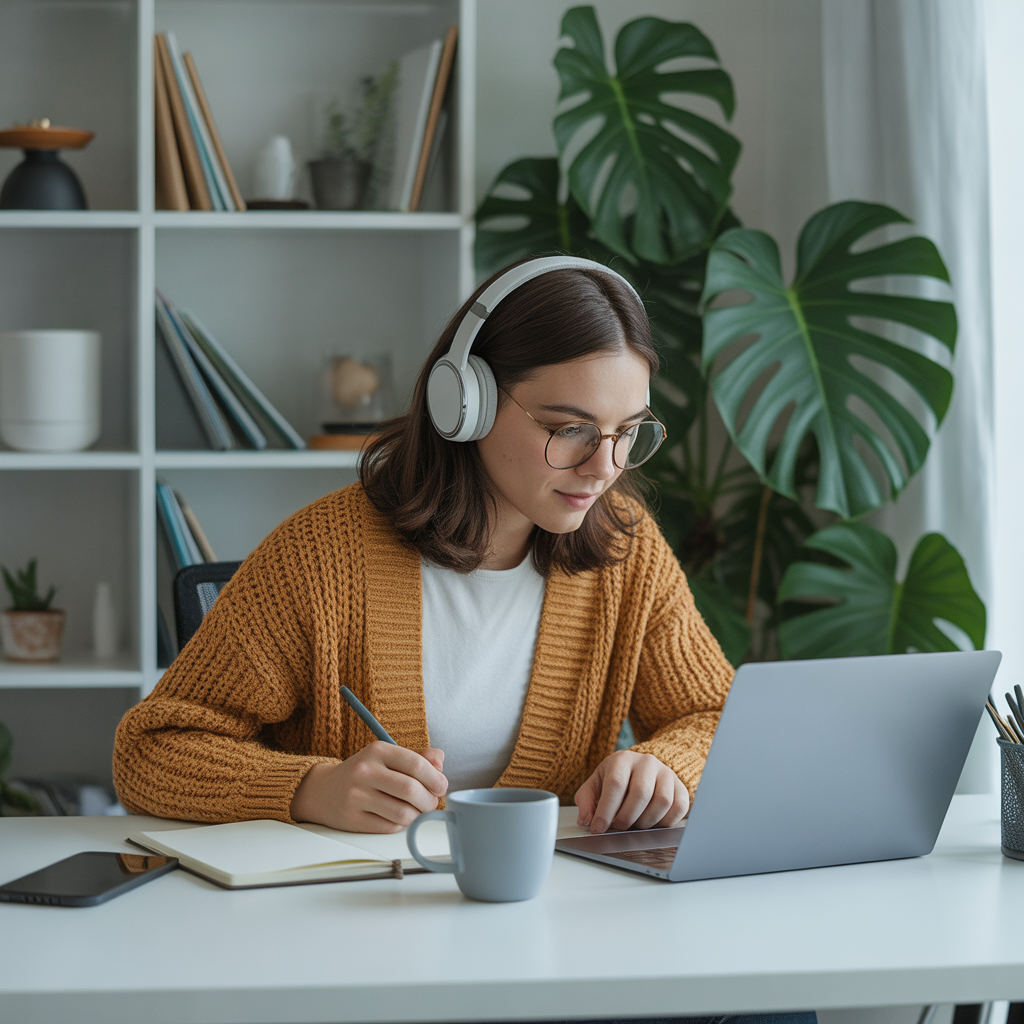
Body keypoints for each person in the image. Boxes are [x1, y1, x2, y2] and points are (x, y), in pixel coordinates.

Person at [114, 256, 734, 837]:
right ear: (466, 402)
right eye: (568, 429)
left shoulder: (627, 552)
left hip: (544, 916)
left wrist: (667, 765)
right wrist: (311, 788)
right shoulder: (321, 558)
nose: (604, 467)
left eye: (627, 433)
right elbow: (151, 750)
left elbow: (718, 718)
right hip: (349, 920)